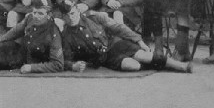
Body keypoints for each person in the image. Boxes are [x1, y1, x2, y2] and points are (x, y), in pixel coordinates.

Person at [62, 6, 191, 73]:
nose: (71, 17)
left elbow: (119, 28)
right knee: (133, 66)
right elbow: (66, 59)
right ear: (64, 18)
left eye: (73, 13)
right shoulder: (67, 36)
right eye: (67, 16)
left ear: (78, 11)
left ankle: (181, 66)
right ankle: (163, 65)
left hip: (116, 44)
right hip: (106, 58)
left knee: (144, 56)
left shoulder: (94, 17)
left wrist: (139, 41)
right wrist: (73, 66)